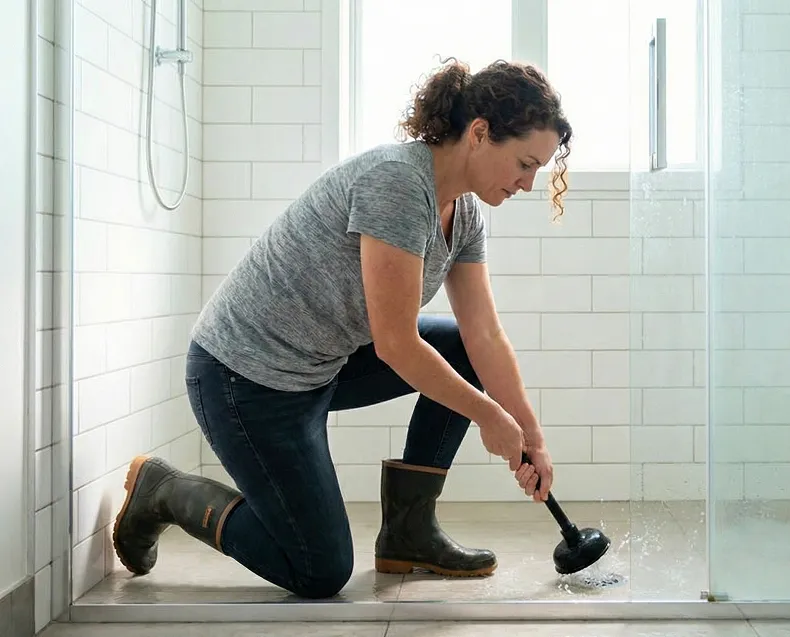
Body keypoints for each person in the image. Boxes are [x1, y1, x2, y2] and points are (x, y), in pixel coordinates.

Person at [110, 57, 574, 599]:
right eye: (524, 163)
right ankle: (165, 491)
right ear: (478, 133)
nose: (528, 183)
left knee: (463, 351)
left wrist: (532, 435)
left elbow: (485, 336)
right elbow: (396, 344)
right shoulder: (397, 183)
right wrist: (489, 415)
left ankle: (409, 534)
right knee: (319, 571)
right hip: (243, 378)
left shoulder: (465, 214)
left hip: (320, 366)